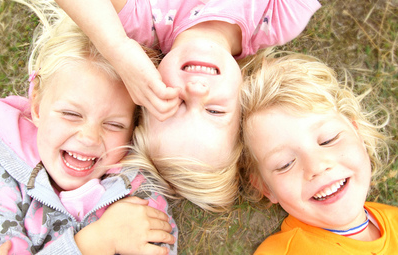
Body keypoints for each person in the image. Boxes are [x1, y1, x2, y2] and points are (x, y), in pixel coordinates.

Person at [52, 0, 322, 212]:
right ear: (244, 99)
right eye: (214, 111)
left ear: (144, 90)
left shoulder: (141, 19)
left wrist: (119, 50)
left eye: (176, 102)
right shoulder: (279, 18)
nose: (197, 89)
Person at [0, 7, 177, 255]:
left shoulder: (139, 188)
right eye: (71, 114)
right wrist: (97, 242)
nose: (89, 137)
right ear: (36, 105)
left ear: (133, 129)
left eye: (113, 125)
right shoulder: (1, 181)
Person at [240, 50, 398, 254]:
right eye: (285, 164)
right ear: (265, 188)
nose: (317, 166)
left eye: (328, 139)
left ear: (357, 133)